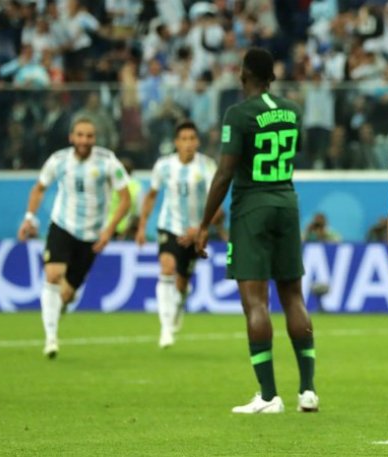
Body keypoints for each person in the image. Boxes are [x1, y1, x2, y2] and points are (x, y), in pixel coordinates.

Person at [195, 47, 318, 414]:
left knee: (256, 302)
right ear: (272, 77)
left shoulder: (238, 114)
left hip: (252, 208)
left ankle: (268, 396)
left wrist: (203, 224)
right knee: (293, 297)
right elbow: (299, 149)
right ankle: (308, 391)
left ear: (243, 74)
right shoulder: (293, 110)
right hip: (287, 202)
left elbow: (224, 173)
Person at [16, 117, 130, 359]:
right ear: (71, 137)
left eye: (89, 136)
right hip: (63, 226)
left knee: (67, 295)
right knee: (53, 275)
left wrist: (109, 230)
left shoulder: (107, 161)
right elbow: (39, 188)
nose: (84, 140)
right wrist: (29, 218)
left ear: (95, 138)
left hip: (92, 235)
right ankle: (51, 339)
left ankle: (58, 311)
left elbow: (125, 198)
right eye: (80, 135)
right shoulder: (58, 161)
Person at [135, 121, 224, 348]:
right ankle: (165, 328)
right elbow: (152, 196)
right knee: (166, 267)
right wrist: (142, 226)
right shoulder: (163, 166)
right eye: (184, 139)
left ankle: (179, 303)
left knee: (182, 282)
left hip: (195, 233)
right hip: (169, 226)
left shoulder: (207, 167)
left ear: (198, 142)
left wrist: (202, 228)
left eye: (192, 138)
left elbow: (217, 204)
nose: (188, 143)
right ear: (176, 143)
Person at [109, 158, 142, 240]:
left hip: (108, 228)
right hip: (125, 230)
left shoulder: (110, 184)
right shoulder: (136, 187)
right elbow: (138, 212)